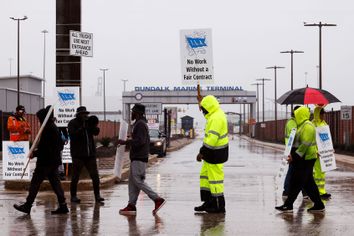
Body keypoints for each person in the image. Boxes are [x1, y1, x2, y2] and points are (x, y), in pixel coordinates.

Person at [13, 106, 69, 214]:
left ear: (43, 118)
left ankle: (27, 206)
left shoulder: (49, 129)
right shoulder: (52, 127)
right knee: (56, 184)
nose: (38, 121)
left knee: (35, 183)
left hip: (45, 162)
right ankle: (63, 205)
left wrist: (34, 153)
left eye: (39, 119)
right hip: (53, 161)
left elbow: (46, 149)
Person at [118, 103, 166, 216]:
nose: (132, 114)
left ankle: (157, 199)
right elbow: (140, 139)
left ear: (138, 113)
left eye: (133, 112)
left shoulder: (140, 124)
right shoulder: (140, 124)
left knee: (138, 181)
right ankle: (131, 205)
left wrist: (125, 142)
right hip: (137, 157)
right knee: (132, 182)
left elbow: (140, 141)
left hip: (139, 158)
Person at [275, 106, 325, 213]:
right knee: (308, 183)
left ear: (301, 114)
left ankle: (288, 205)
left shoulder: (307, 126)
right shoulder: (302, 125)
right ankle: (319, 204)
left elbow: (305, 144)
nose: (295, 116)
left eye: (297, 114)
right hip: (304, 158)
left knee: (297, 182)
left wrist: (295, 156)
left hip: (307, 158)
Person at [194, 95, 229, 213]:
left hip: (216, 154)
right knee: (205, 176)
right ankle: (208, 202)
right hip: (211, 154)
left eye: (204, 109)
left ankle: (219, 205)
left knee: (215, 180)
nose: (203, 112)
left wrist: (201, 153)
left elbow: (212, 140)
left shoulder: (216, 118)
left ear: (209, 107)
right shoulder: (214, 115)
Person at [68, 106, 104, 203]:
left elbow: (96, 132)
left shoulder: (88, 123)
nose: (85, 115)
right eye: (83, 114)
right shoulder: (73, 123)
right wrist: (82, 128)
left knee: (95, 176)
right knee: (75, 177)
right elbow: (73, 135)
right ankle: (73, 196)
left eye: (86, 114)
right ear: (78, 115)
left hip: (90, 155)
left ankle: (97, 196)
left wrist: (94, 125)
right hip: (78, 155)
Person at [282, 106, 308, 200]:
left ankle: (302, 192)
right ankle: (287, 191)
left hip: (294, 149)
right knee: (294, 171)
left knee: (297, 171)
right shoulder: (292, 123)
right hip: (293, 149)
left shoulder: (293, 122)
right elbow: (295, 136)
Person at [312, 106, 331, 200]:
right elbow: (311, 140)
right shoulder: (312, 124)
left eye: (324, 114)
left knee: (322, 172)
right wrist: (315, 151)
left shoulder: (324, 123)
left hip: (323, 152)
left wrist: (330, 148)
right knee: (316, 172)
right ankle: (317, 192)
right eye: (322, 114)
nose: (323, 116)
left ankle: (322, 191)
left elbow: (327, 138)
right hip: (316, 153)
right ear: (317, 114)